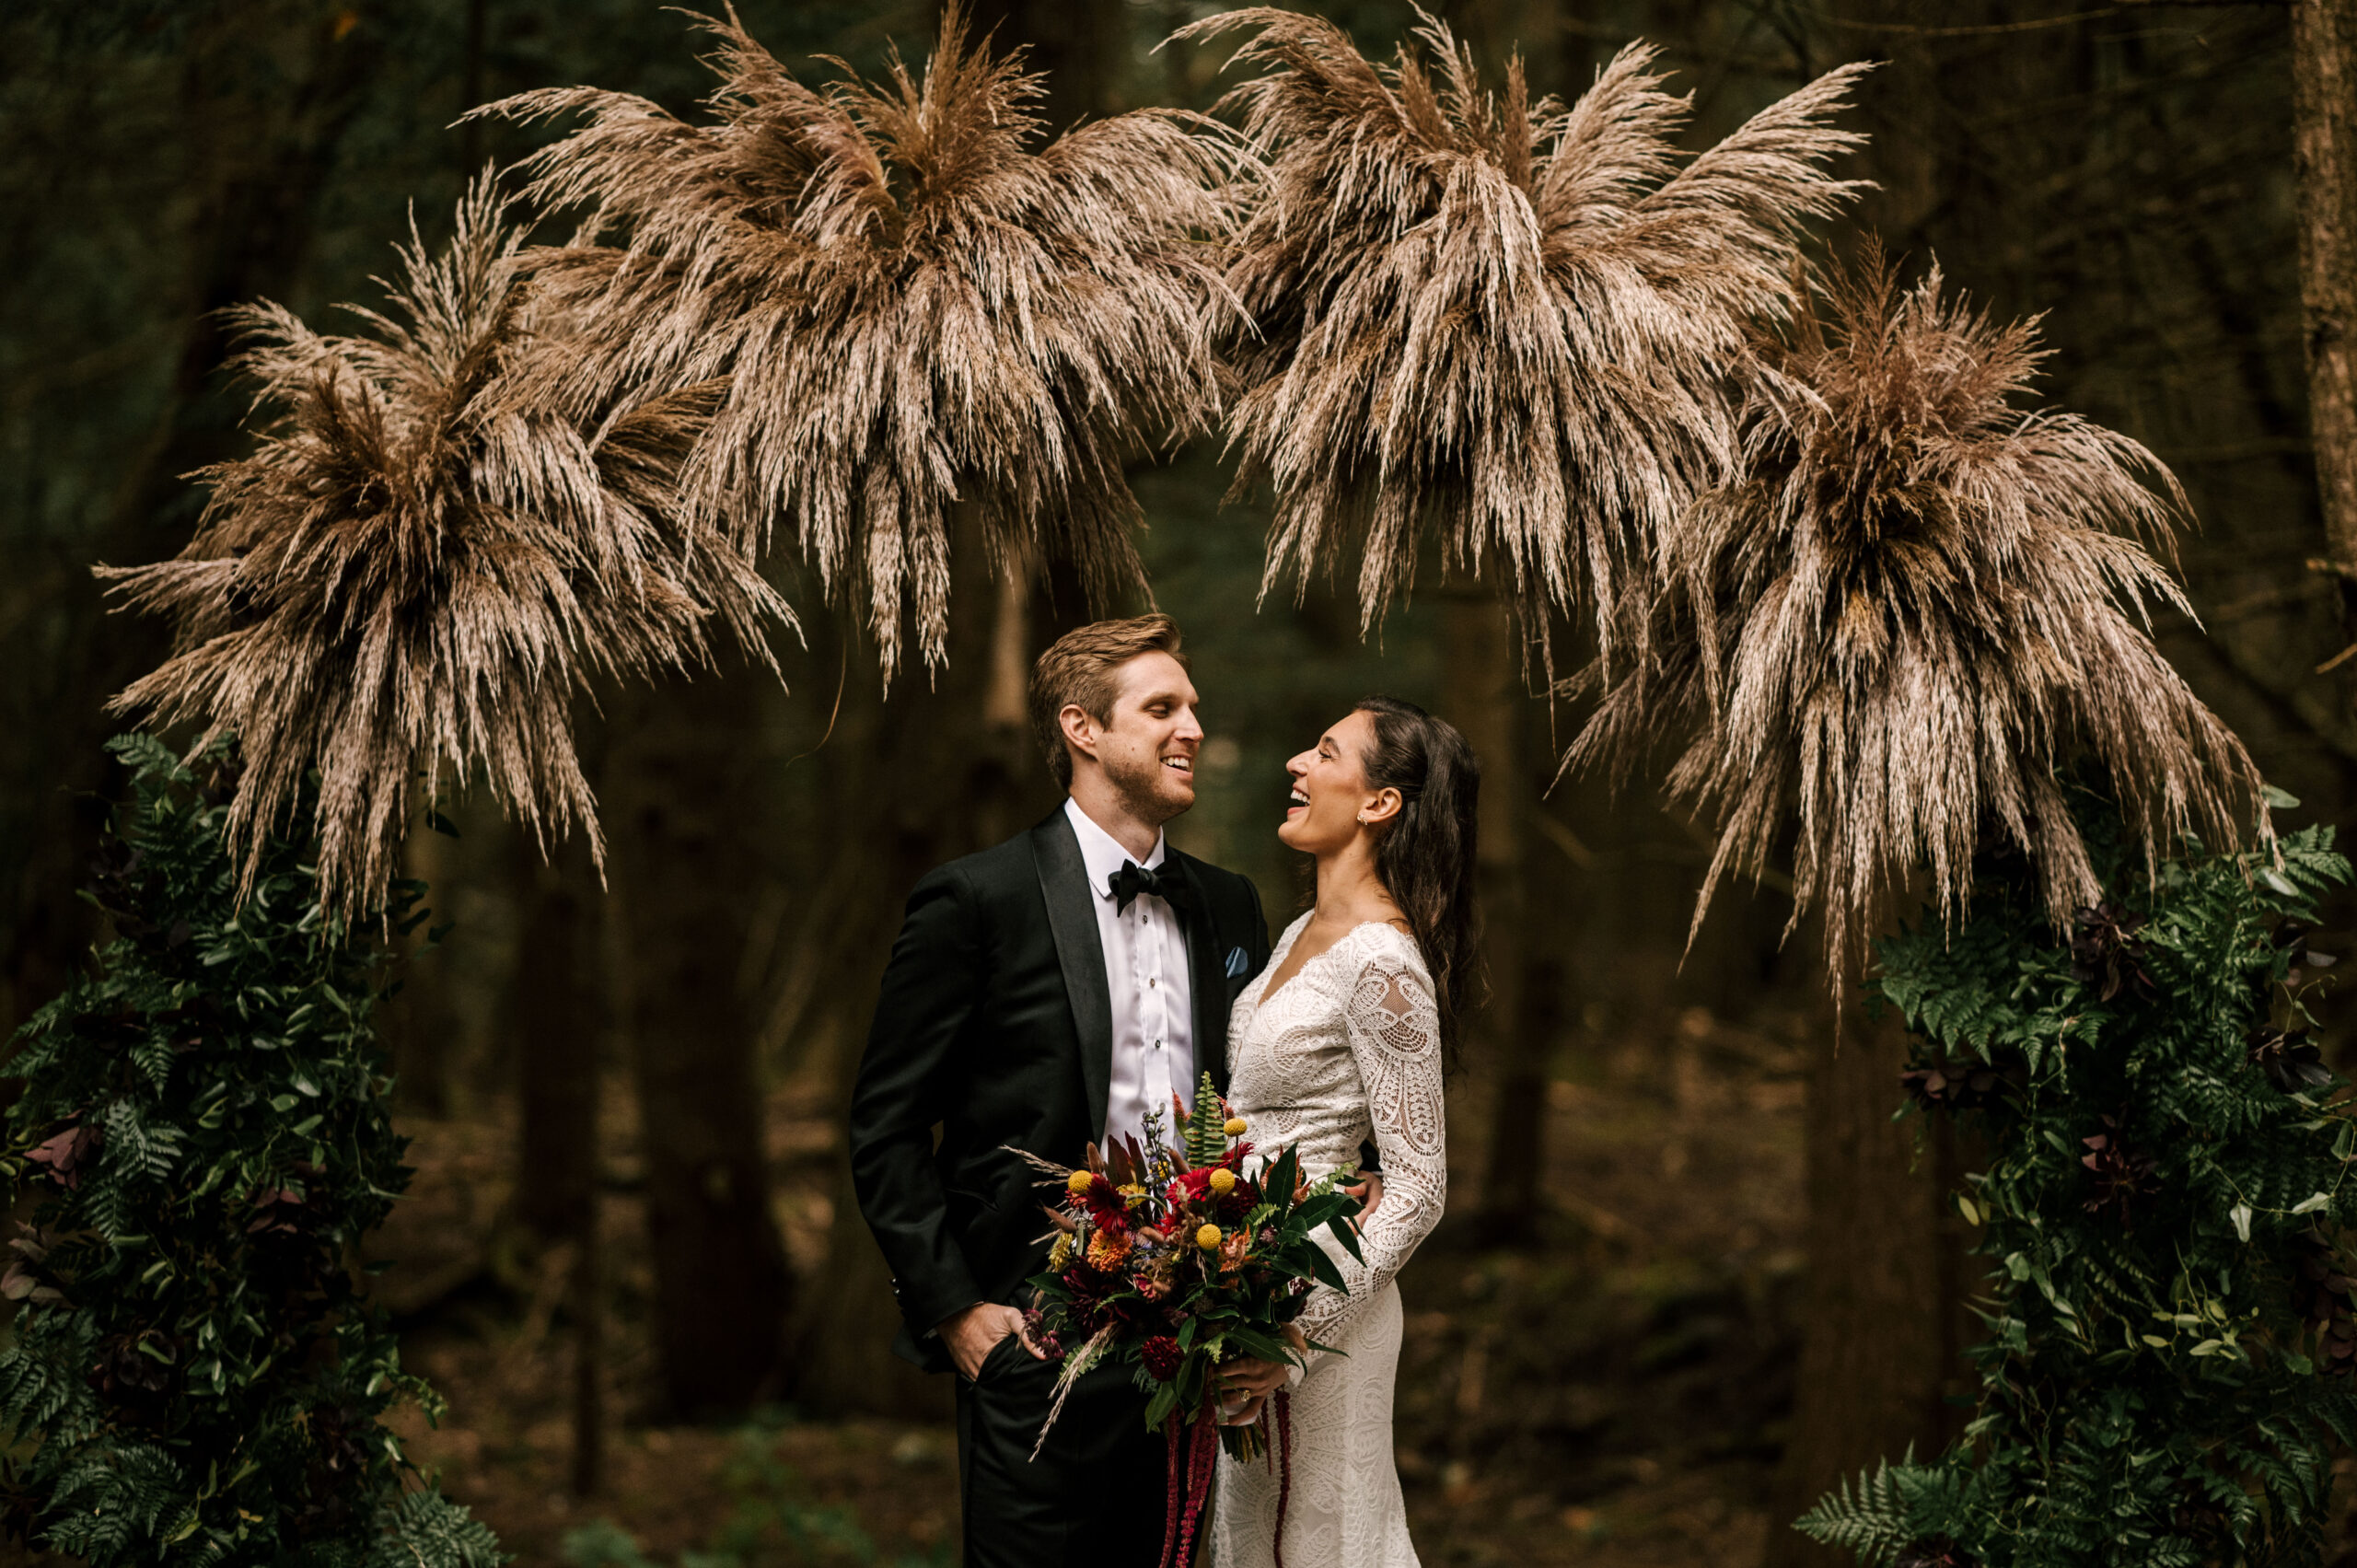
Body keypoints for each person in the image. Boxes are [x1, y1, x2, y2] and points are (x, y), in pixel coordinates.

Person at [848, 615, 1277, 1567]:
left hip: (1196, 1355)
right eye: (1162, 707)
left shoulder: (1229, 902)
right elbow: (883, 1124)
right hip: (1035, 1346)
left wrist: (1256, 1302)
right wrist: (956, 1308)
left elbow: (1263, 1105)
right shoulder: (975, 900)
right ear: (1083, 729)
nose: (1192, 728)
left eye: (1194, 707)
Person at [1208, 697, 1479, 1568]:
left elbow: (1420, 1184)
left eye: (1325, 752)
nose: (1296, 762)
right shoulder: (1300, 932)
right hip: (1252, 1284)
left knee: (1328, 1541)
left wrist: (1293, 1339)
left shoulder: (1383, 960)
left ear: (1379, 802)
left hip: (1323, 1306)